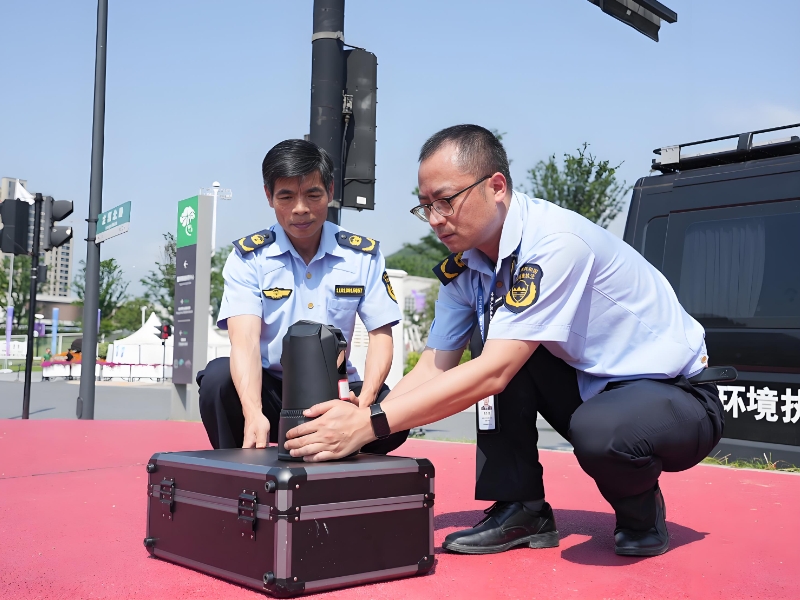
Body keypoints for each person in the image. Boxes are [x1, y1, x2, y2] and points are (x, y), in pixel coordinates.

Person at [283, 125, 724, 558]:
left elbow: (494, 372)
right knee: (491, 334)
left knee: (590, 424)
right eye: (425, 207)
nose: (436, 219)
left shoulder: (554, 244)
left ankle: (640, 513)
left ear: (496, 186)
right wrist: (368, 420)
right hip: (590, 386)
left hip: (675, 397)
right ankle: (521, 508)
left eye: (446, 201)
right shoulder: (468, 269)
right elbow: (435, 365)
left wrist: (369, 425)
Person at [197, 138, 408, 455]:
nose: (301, 208)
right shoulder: (249, 257)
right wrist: (253, 411)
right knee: (217, 380)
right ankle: (240, 476)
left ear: (331, 191)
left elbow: (381, 336)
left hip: (337, 391)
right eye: (286, 196)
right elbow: (245, 344)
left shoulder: (362, 255)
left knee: (393, 413)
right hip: (269, 388)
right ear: (269, 196)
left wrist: (362, 407)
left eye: (313, 194)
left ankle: (348, 482)